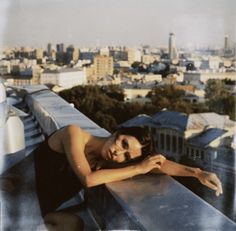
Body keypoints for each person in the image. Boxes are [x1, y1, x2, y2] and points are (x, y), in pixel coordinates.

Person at [34, 125, 223, 230]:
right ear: (117, 132)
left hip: (35, 211)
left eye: (126, 156)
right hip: (9, 200)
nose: (118, 153)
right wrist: (137, 168)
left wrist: (196, 172)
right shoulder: (73, 133)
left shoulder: (105, 163)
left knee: (73, 224)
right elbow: (88, 179)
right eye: (123, 143)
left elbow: (158, 164)